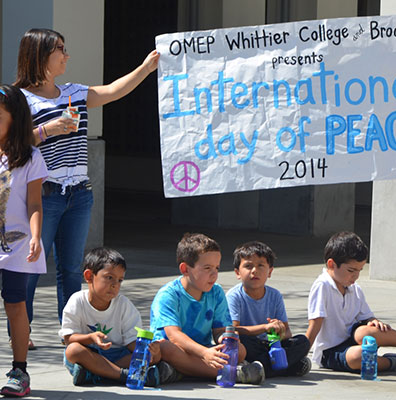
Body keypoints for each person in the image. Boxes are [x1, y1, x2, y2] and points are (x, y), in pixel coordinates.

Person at [13, 28, 160, 342]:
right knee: (30, 268)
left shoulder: (74, 93)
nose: (66, 56)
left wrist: (145, 68)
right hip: (43, 193)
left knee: (70, 269)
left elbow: (113, 91)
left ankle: (72, 332)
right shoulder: (19, 100)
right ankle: (21, 331)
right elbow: (7, 143)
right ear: (40, 55)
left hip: (79, 192)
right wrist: (46, 131)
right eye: (60, 50)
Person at [305, 231, 396, 375]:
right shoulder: (322, 285)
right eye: (351, 270)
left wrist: (375, 323)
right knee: (359, 356)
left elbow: (367, 317)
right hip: (332, 351)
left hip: (355, 340)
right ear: (332, 264)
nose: (356, 276)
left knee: (365, 332)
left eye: (360, 270)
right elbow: (315, 324)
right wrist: (301, 355)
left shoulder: (354, 289)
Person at [150, 233, 265, 384]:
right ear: (185, 269)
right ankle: (233, 374)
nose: (214, 274)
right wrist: (204, 353)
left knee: (240, 350)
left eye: (217, 268)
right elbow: (174, 336)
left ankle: (180, 372)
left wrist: (225, 338)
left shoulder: (216, 292)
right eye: (207, 268)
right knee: (166, 348)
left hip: (202, 350)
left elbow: (219, 330)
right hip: (175, 350)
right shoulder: (168, 295)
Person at [60, 247, 178, 387]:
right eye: (109, 277)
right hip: (90, 353)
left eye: (120, 280)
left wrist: (150, 350)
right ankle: (123, 376)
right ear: (89, 276)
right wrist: (90, 338)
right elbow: (68, 338)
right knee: (73, 351)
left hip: (118, 355)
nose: (115, 285)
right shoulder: (77, 301)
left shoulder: (124, 306)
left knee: (150, 357)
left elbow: (131, 343)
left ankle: (95, 373)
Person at [0, 84, 47, 396]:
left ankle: (20, 371)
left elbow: (34, 203)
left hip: (16, 245)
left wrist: (35, 235)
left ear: (14, 118)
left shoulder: (30, 157)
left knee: (15, 304)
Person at [226, 241, 311, 378]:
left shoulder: (275, 295)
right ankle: (287, 366)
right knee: (239, 340)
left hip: (271, 344)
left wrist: (278, 330)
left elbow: (287, 332)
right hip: (252, 345)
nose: (254, 271)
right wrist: (264, 327)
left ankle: (260, 368)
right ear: (237, 273)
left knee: (302, 341)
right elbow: (233, 330)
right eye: (248, 266)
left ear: (270, 271)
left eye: (260, 265)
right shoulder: (234, 296)